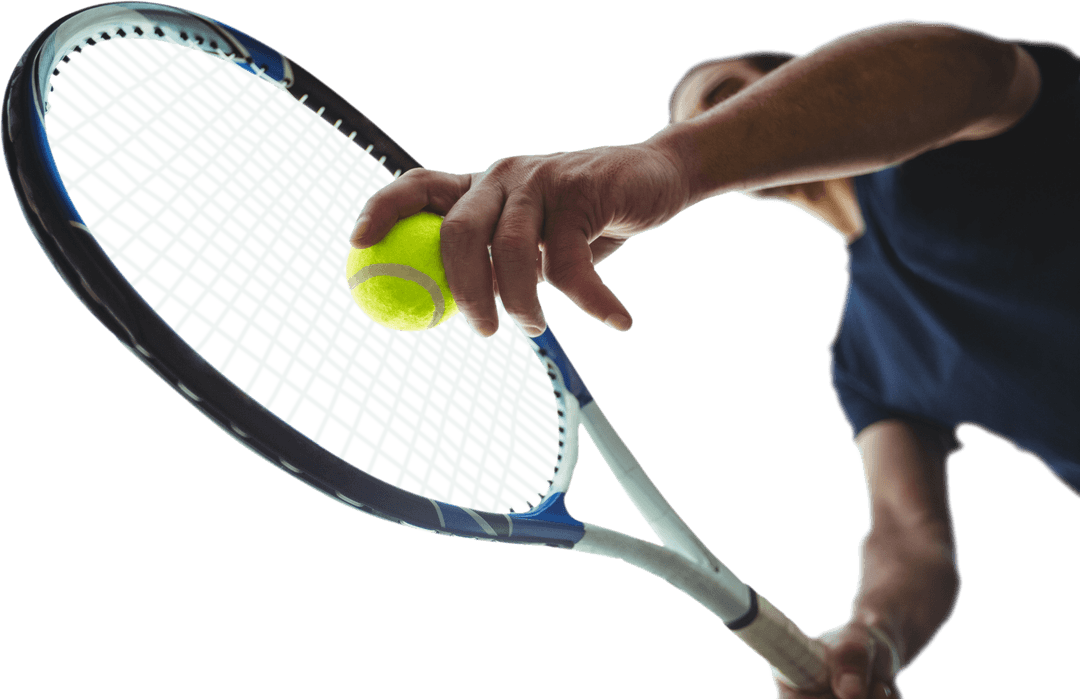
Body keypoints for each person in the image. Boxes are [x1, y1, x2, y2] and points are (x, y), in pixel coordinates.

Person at [352, 19, 1079, 699]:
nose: (704, 123)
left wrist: (673, 160)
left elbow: (970, 69)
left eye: (728, 97)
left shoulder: (957, 134)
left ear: (797, 81)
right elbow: (911, 539)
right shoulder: (863, 354)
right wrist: (872, 637)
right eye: (685, 122)